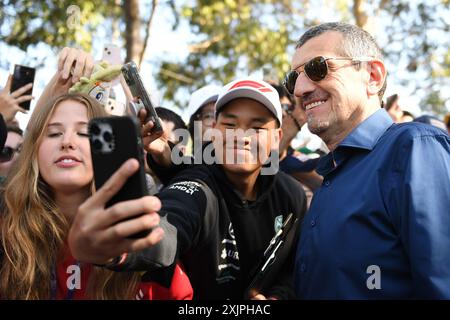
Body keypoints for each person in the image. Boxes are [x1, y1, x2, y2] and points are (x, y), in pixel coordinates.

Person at [69, 78, 307, 300]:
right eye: (230, 124)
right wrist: (117, 246)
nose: (241, 136)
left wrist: (278, 295)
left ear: (276, 138)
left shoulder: (291, 195)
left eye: (256, 127)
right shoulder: (199, 184)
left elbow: (292, 269)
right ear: (214, 130)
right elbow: (169, 226)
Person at [283, 22, 450, 299]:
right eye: (293, 78)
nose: (299, 89)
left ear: (372, 76)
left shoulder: (414, 148)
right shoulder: (332, 174)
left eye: (317, 68)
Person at [0, 93, 192, 299]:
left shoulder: (138, 232)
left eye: (84, 133)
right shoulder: (6, 227)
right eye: (54, 133)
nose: (67, 142)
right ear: (34, 151)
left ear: (107, 149)